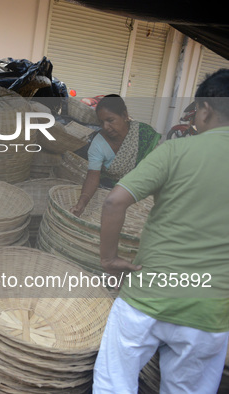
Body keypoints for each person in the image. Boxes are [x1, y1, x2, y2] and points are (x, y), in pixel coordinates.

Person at [93, 69, 229, 393]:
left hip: (146, 296)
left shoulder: (176, 150)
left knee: (114, 384)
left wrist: (109, 260)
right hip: (208, 311)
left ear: (205, 109)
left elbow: (114, 202)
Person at [70, 94, 160, 216]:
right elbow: (92, 176)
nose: (106, 127)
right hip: (111, 193)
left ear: (124, 115)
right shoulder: (98, 144)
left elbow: (159, 168)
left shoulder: (144, 134)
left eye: (110, 120)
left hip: (144, 196)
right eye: (101, 122)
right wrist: (82, 202)